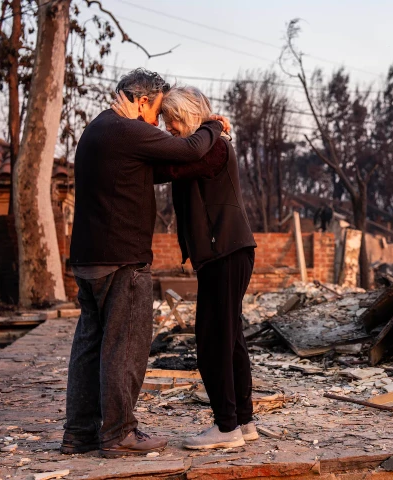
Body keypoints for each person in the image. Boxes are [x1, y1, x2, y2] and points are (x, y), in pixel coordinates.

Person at [63, 69, 228, 458]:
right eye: (155, 112)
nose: (157, 124)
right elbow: (188, 151)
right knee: (125, 347)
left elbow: (157, 169)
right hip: (122, 259)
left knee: (89, 346)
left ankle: (79, 433)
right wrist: (212, 125)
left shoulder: (97, 130)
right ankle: (119, 432)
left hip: (87, 260)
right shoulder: (128, 129)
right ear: (140, 102)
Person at [112, 85, 257, 450]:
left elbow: (169, 167)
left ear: (188, 115)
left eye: (171, 120)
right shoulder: (210, 145)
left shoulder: (215, 147)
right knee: (230, 337)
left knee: (213, 341)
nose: (168, 128)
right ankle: (243, 420)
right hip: (225, 253)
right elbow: (168, 165)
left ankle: (226, 428)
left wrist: (210, 126)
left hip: (225, 253)